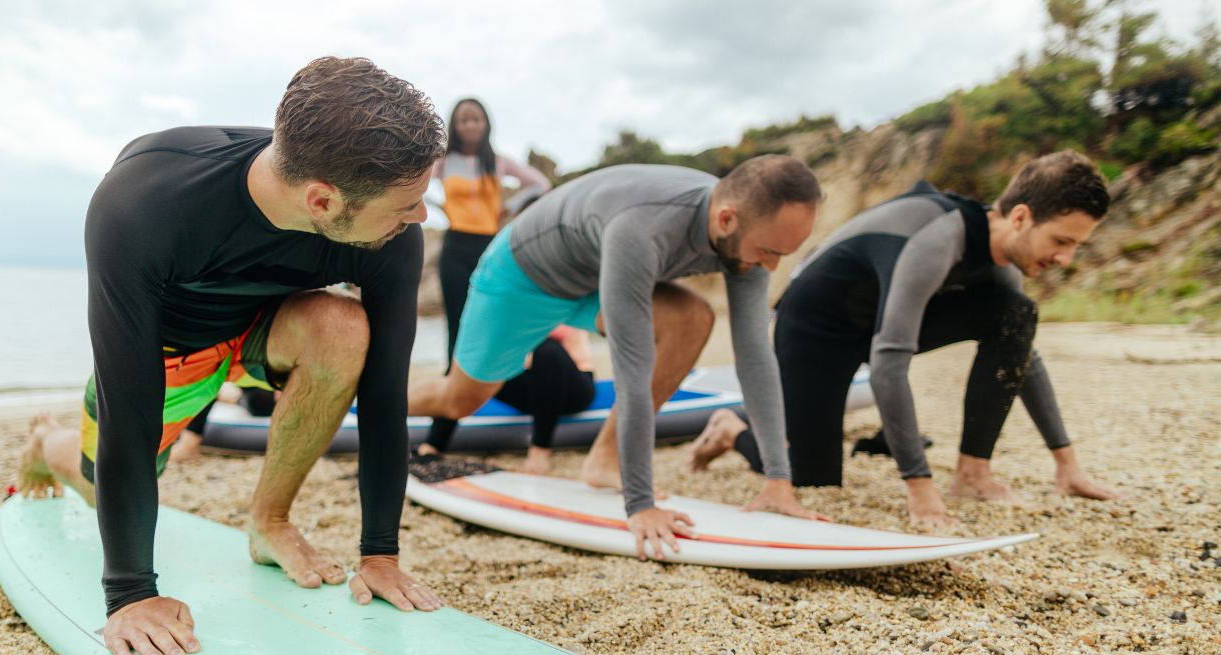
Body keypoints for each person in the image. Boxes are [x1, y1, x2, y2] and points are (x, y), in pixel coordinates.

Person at [17, 56, 447, 655]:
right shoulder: (143, 206)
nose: (421, 217)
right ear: (322, 201)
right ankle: (46, 444)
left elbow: (383, 396)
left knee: (346, 329)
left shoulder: (389, 234)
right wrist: (131, 593)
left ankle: (269, 521)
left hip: (270, 331)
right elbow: (129, 414)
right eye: (408, 203)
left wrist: (379, 553)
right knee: (98, 483)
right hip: (170, 349)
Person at [408, 156, 830, 560]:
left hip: (594, 277)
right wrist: (640, 504)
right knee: (460, 399)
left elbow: (755, 356)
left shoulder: (748, 239)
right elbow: (632, 369)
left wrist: (778, 478)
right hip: (523, 276)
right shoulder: (643, 225)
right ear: (726, 219)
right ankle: (371, 398)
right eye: (769, 252)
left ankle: (604, 459)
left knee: (691, 319)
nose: (771, 268)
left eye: (782, 256)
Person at [688, 151, 1122, 528]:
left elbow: (1022, 354)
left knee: (1015, 315)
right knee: (811, 475)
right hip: (815, 328)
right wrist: (919, 484)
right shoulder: (939, 235)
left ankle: (973, 474)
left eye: (1075, 246)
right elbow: (889, 363)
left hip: (875, 322)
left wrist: (1067, 464)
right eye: (1061, 241)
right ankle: (732, 429)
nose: (1066, 259)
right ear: (1022, 217)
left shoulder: (1003, 264)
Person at [417, 98, 593, 472]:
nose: (470, 125)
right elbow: (414, 181)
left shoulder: (498, 163)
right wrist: (439, 205)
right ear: (455, 124)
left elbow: (540, 184)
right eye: (463, 119)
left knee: (494, 329)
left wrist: (510, 208)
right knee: (456, 340)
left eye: (476, 118)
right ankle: (438, 440)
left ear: (486, 124)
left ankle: (490, 404)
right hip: (455, 248)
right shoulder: (444, 163)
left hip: (490, 246)